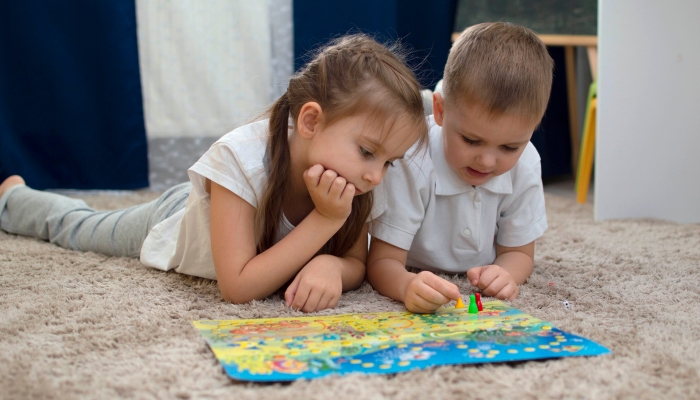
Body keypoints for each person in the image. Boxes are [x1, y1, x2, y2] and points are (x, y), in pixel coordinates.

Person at [0, 34, 428, 313]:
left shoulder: (359, 180)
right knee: (79, 228)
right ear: (312, 121)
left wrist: (334, 267)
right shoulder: (241, 158)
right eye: (369, 152)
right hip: (175, 222)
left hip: (219, 204)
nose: (376, 176)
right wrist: (326, 220)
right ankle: (14, 196)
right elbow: (238, 288)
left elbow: (357, 261)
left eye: (389, 162)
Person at [366, 22, 554, 313]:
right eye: (471, 140)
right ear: (440, 111)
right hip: (410, 265)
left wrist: (506, 274)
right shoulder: (411, 157)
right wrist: (405, 285)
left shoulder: (526, 163)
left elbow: (518, 253)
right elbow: (381, 262)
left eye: (509, 147)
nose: (488, 161)